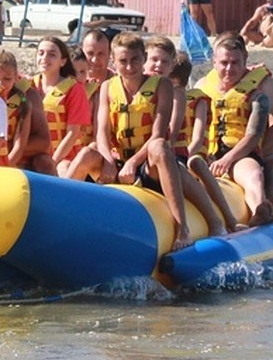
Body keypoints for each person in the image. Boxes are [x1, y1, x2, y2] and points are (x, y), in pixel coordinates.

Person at [74, 32, 194, 249]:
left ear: (143, 58)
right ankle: (62, 214)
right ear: (113, 61)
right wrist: (108, 160)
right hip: (117, 164)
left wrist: (133, 163)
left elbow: (158, 132)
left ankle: (182, 227)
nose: (129, 66)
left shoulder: (162, 85)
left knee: (159, 146)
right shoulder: (107, 88)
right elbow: (102, 131)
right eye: (123, 61)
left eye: (135, 60)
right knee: (86, 153)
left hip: (147, 166)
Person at [146, 38, 237, 236]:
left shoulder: (184, 96)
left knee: (194, 163)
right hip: (153, 156)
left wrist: (188, 153)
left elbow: (192, 137)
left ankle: (224, 219)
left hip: (182, 155)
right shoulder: (141, 90)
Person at [195, 34, 273, 225]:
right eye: (224, 62)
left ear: (245, 59)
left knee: (270, 168)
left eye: (235, 62)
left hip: (247, 152)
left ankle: (263, 211)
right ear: (214, 61)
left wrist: (259, 155)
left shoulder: (264, 88)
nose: (229, 69)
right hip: (207, 155)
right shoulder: (202, 86)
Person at [0, 48, 57, 173]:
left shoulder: (27, 98)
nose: (0, 84)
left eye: (7, 79)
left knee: (44, 163)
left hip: (18, 156)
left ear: (16, 77)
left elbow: (44, 142)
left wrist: (2, 151)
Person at [32, 36, 92, 175]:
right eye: (41, 53)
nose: (45, 58)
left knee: (63, 170)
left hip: (65, 157)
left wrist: (52, 162)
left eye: (52, 55)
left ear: (63, 61)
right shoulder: (29, 86)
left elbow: (73, 133)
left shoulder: (74, 89)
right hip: (36, 156)